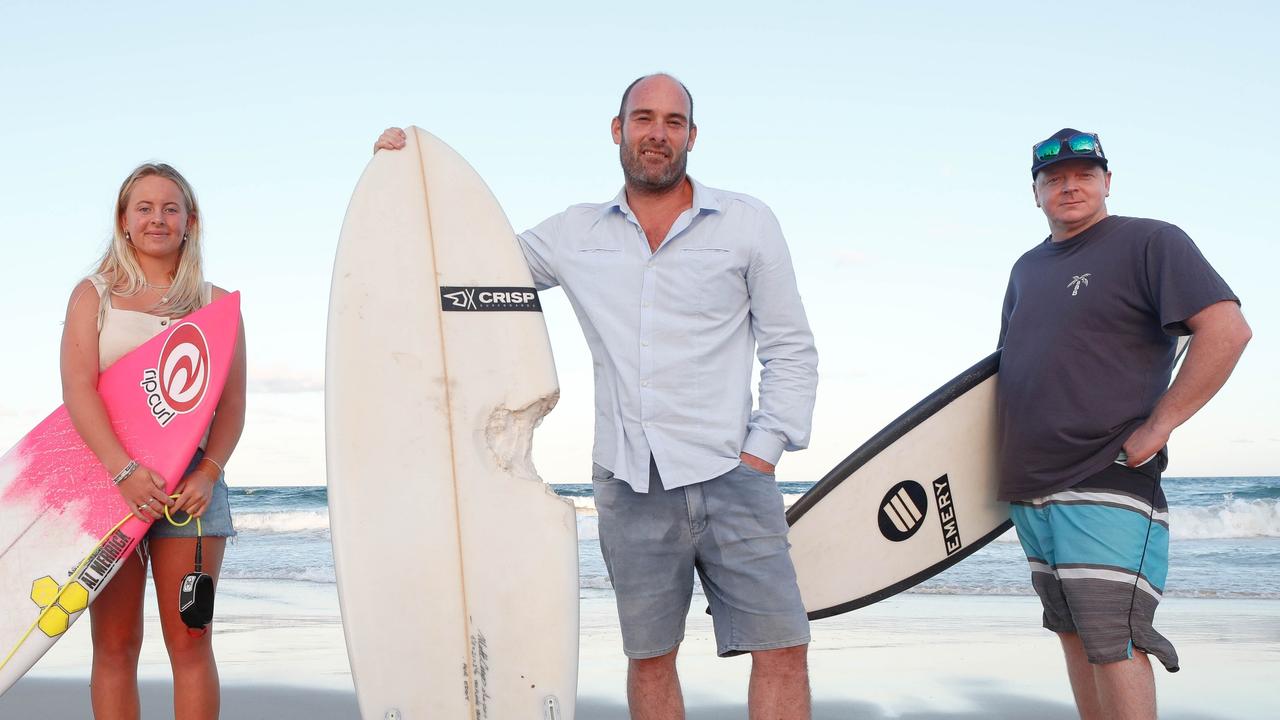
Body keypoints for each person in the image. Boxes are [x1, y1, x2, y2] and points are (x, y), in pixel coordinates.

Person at [375, 73, 818, 719]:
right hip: (630, 483)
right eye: (644, 118)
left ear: (692, 135)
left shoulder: (747, 223)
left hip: (734, 474)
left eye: (672, 121)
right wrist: (402, 182)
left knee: (781, 649)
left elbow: (791, 346)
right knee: (650, 658)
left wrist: (764, 450)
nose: (657, 133)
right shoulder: (574, 234)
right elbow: (466, 265)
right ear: (619, 130)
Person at [996, 128, 1251, 719]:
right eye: (1053, 179)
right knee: (1073, 633)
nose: (1069, 186)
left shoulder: (1149, 241)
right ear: (1035, 194)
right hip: (1030, 485)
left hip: (1105, 474)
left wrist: (1158, 428)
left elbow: (1227, 330)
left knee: (1116, 639)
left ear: (1107, 182)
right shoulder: (1026, 268)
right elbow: (1008, 372)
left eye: (1084, 174)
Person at [60, 163, 247, 720]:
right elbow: (78, 388)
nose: (157, 219)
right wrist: (122, 470)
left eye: (171, 208)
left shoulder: (215, 303)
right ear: (124, 220)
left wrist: (208, 472)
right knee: (115, 646)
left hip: (192, 488)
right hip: (111, 484)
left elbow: (231, 405)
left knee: (191, 643)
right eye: (144, 208)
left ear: (190, 221)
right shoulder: (94, 294)